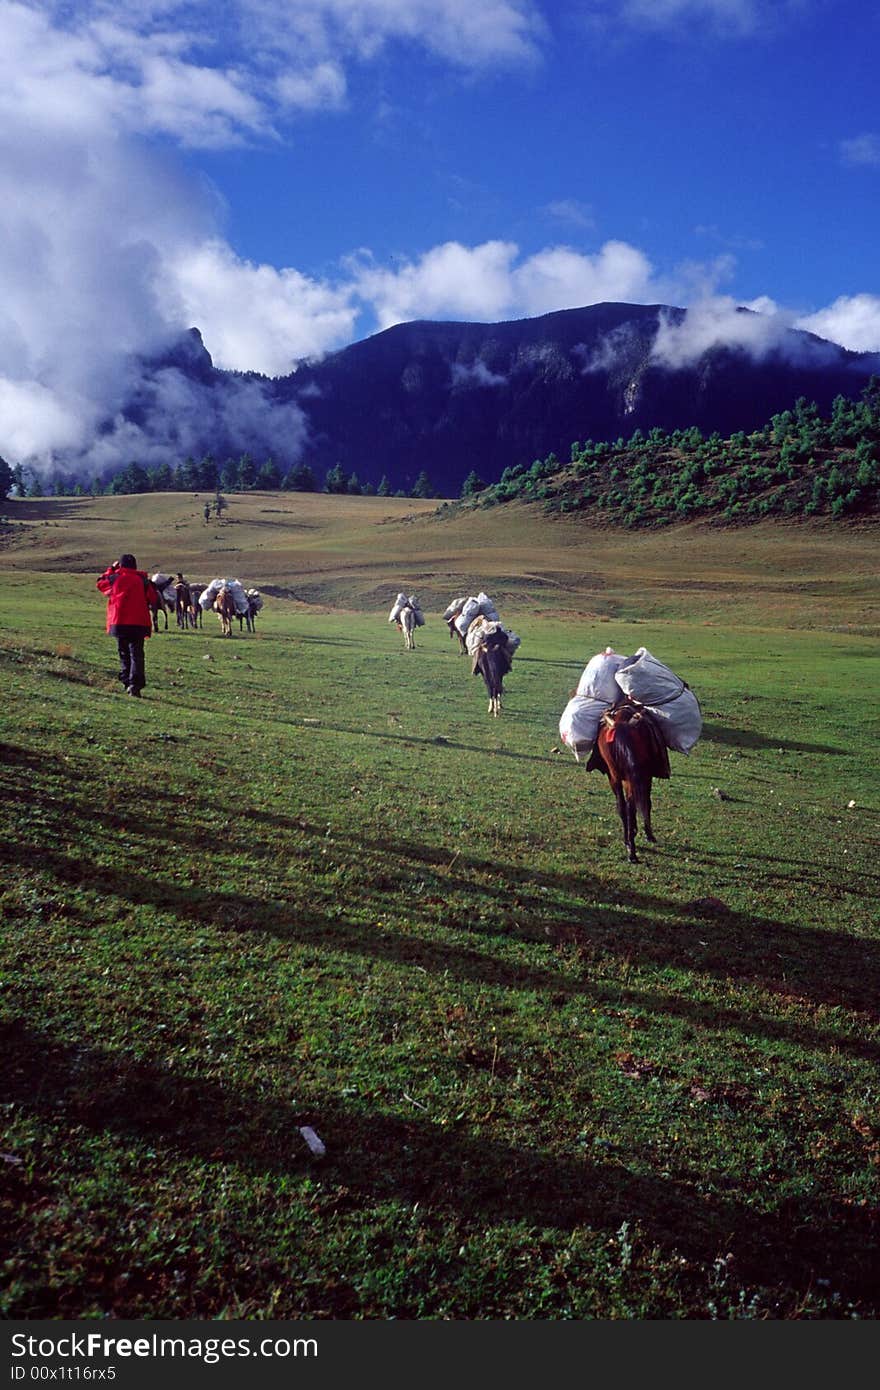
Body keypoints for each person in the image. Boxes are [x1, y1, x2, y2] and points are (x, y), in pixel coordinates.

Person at [96, 554, 158, 697]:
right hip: (139, 622)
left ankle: (126, 681)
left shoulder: (114, 578)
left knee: (123, 653)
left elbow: (100, 583)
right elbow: (153, 598)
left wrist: (111, 569)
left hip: (119, 621)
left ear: (121, 565)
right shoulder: (143, 580)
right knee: (137, 654)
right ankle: (135, 686)